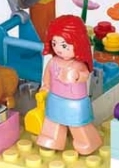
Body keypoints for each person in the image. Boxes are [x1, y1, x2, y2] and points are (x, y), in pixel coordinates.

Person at [37, 15, 102, 155]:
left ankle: (87, 142)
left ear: (77, 44)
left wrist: (77, 76)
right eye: (54, 43)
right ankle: (51, 139)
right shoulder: (53, 61)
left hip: (74, 102)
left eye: (64, 45)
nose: (58, 49)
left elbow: (85, 75)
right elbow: (47, 75)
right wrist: (46, 85)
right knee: (53, 120)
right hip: (55, 98)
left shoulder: (78, 64)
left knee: (78, 124)